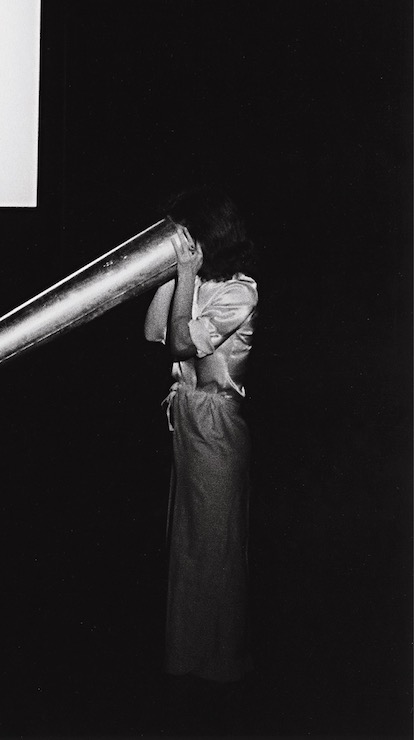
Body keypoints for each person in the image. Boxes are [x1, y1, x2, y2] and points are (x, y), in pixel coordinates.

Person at [144, 187, 257, 686]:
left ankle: (216, 663)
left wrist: (185, 274)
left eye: (185, 235)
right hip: (186, 416)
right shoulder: (196, 281)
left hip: (216, 422)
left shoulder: (240, 291)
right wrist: (173, 274)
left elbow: (180, 341)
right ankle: (187, 658)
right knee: (187, 540)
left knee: (214, 541)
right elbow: (152, 332)